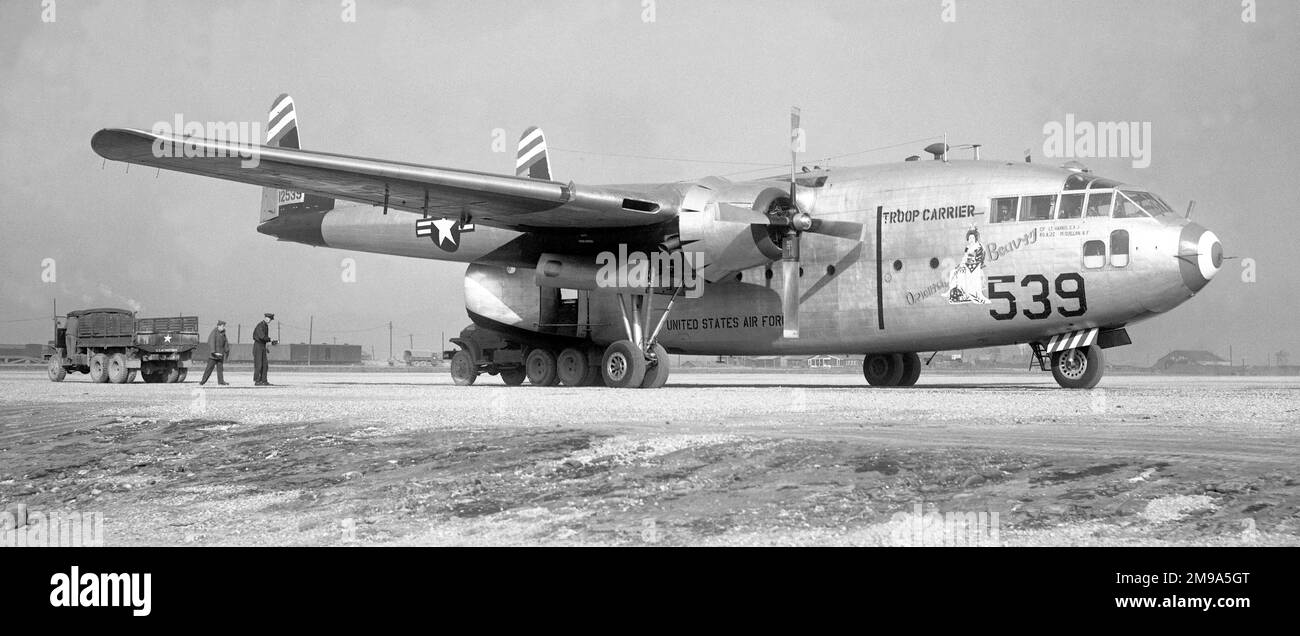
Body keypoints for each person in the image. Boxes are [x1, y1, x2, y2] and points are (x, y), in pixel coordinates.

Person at [948, 229, 990, 304]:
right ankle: (959, 292)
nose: (971, 239)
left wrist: (967, 264)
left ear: (975, 238)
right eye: (970, 238)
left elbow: (979, 258)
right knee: (954, 272)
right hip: (967, 265)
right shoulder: (968, 247)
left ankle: (968, 293)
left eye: (973, 238)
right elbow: (965, 257)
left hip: (973, 267)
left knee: (961, 275)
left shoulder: (978, 246)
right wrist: (961, 265)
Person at [199, 320, 231, 386]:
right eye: (222, 326)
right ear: (218, 326)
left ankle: (221, 381)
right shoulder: (214, 332)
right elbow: (211, 342)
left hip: (220, 354)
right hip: (214, 355)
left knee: (220, 369)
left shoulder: (223, 333)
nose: (223, 327)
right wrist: (213, 352)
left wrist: (227, 350)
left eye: (224, 326)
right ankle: (203, 381)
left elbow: (225, 342)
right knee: (209, 369)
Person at [253, 313, 276, 386]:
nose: (269, 320)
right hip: (258, 346)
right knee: (259, 364)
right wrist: (270, 339)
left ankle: (264, 380)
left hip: (262, 346)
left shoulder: (265, 326)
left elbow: (264, 338)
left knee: (265, 365)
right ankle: (257, 381)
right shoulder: (260, 325)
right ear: (266, 318)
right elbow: (262, 337)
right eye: (269, 319)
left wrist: (267, 345)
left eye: (270, 319)